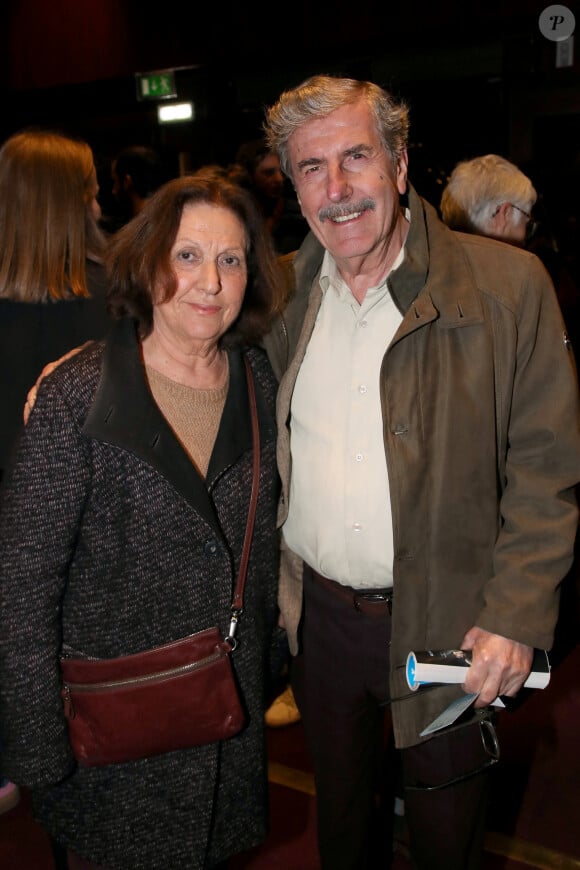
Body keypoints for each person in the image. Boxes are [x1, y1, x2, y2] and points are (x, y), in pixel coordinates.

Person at [261, 75, 580, 870]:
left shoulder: (508, 288)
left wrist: (516, 614)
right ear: (292, 185)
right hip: (323, 629)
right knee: (343, 831)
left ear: (401, 165)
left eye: (356, 157)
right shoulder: (275, 293)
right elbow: (174, 335)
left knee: (447, 838)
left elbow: (546, 467)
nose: (336, 190)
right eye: (310, 168)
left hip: (451, 626)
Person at [0, 174, 286, 869]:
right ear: (149, 259)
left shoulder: (260, 380)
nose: (210, 283)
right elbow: (21, 589)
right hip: (113, 745)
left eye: (231, 259)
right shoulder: (77, 395)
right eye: (187, 256)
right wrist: (40, 752)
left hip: (225, 721)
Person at [0, 128, 110, 478]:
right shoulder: (119, 291)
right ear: (77, 200)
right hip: (92, 499)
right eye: (93, 190)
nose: (99, 201)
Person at [440, 153, 537, 246]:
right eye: (526, 223)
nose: (525, 239)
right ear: (505, 214)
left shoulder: (432, 257)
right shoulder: (524, 262)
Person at [234, 138, 309, 255]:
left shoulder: (300, 216)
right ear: (250, 177)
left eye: (281, 172)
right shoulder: (239, 218)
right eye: (268, 173)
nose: (279, 179)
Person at [100, 144, 168, 234]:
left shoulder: (137, 231)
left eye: (115, 181)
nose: (114, 190)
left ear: (127, 181)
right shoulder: (169, 220)